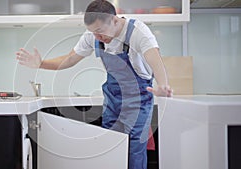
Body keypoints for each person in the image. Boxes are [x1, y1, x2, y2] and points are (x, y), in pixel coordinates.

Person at [16, 0, 173, 169]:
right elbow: (70, 59)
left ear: (114, 20)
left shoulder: (137, 32)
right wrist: (41, 63)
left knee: (135, 147)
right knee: (110, 145)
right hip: (112, 98)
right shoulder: (93, 35)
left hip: (138, 98)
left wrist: (162, 84)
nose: (97, 37)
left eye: (100, 31)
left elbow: (154, 58)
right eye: (92, 32)